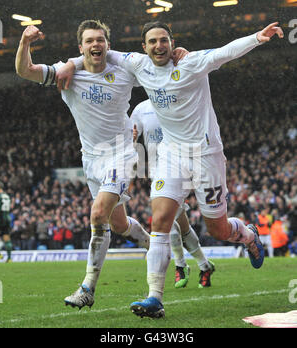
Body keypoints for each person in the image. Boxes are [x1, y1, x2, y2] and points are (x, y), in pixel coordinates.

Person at [59, 21, 284, 319]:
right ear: (144, 47)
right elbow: (102, 51)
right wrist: (69, 65)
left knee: (218, 228)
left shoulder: (191, 62)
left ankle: (247, 235)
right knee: (161, 220)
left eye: (163, 40)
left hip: (206, 154)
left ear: (171, 42)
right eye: (152, 42)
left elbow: (224, 53)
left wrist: (258, 37)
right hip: (172, 154)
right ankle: (155, 297)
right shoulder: (138, 64)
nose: (158, 46)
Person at [15, 20, 152, 310]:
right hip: (90, 159)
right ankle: (155, 246)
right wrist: (25, 42)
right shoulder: (69, 74)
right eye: (89, 41)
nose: (95, 45)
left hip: (121, 154)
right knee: (119, 224)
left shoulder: (123, 70)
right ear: (81, 47)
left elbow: (156, 67)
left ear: (107, 44)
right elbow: (24, 71)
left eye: (100, 40)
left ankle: (87, 287)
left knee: (98, 213)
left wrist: (178, 54)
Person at [131, 99, 215, 289]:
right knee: (180, 224)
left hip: (179, 168)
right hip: (157, 172)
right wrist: (132, 138)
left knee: (167, 220)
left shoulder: (177, 99)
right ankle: (204, 265)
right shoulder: (141, 108)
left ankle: (181, 265)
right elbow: (130, 137)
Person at [0, 181, 13, 263]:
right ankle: (9, 258)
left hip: (0, 219)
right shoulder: (6, 195)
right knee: (7, 239)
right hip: (7, 218)